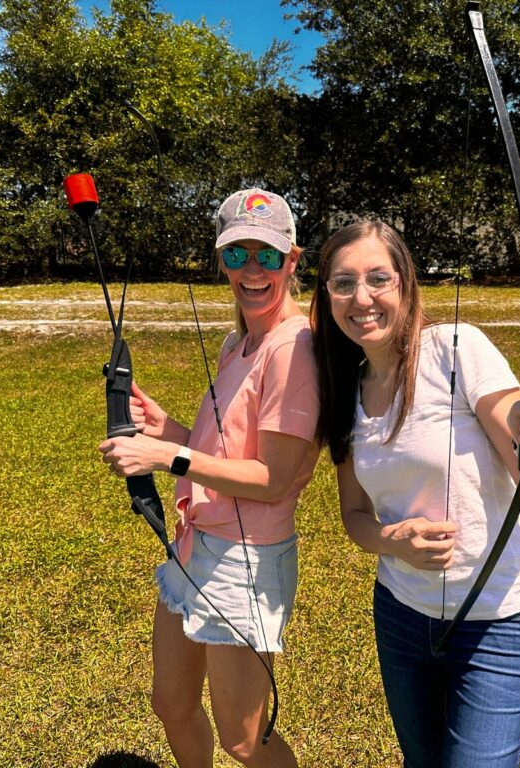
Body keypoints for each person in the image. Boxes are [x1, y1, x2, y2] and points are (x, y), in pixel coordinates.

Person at [309, 220, 520, 768]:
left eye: (378, 278)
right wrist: (393, 541)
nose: (362, 298)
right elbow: (354, 516)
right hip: (403, 616)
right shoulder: (343, 389)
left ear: (405, 282)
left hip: (501, 621)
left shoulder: (457, 349)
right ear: (326, 295)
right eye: (343, 283)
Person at [99, 188, 319, 768]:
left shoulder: (294, 349)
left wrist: (162, 456)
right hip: (196, 542)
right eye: (236, 254)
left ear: (292, 261)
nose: (252, 270)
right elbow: (221, 445)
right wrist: (164, 427)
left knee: (246, 739)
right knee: (170, 702)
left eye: (267, 256)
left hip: (245, 559)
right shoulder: (239, 342)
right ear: (220, 260)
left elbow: (272, 478)